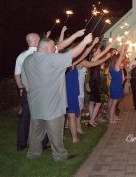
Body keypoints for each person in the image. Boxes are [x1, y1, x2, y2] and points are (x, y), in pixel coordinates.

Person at [21, 33, 93, 161]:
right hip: (53, 107)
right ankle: (59, 155)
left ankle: (33, 154)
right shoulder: (51, 59)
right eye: (53, 47)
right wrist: (85, 41)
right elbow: (73, 53)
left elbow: (25, 83)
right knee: (55, 133)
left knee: (36, 133)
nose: (55, 49)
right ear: (47, 48)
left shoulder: (28, 60)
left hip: (36, 105)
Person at [14, 33, 48, 151]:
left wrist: (21, 88)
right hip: (40, 91)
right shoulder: (42, 54)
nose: (41, 39)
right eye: (39, 38)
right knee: (42, 117)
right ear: (35, 40)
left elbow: (17, 74)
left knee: (25, 117)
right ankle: (42, 144)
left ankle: (21, 144)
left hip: (27, 90)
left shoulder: (21, 56)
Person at [109, 44, 129, 123]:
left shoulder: (112, 66)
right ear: (117, 60)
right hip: (116, 86)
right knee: (114, 104)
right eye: (119, 60)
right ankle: (111, 119)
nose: (121, 60)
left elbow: (121, 56)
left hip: (113, 85)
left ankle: (113, 116)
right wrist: (124, 46)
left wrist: (125, 50)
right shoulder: (117, 66)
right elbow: (121, 57)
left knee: (112, 103)